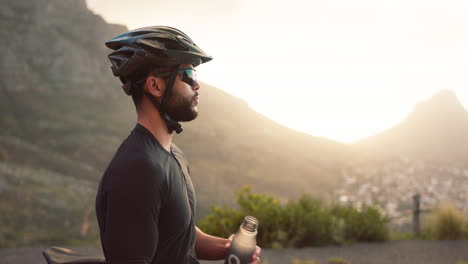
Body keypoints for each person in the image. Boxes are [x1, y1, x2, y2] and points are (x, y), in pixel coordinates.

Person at [95, 26, 261, 264]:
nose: (197, 86)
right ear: (155, 86)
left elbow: (180, 234)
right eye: (188, 75)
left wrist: (228, 248)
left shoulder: (172, 155)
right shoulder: (137, 170)